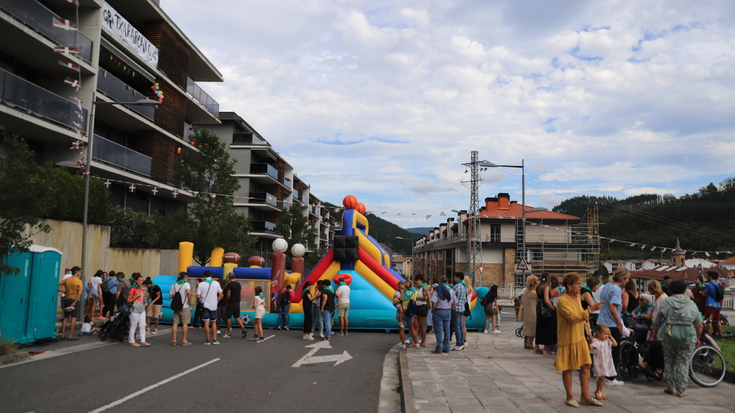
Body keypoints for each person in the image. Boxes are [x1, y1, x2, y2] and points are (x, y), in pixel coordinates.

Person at [554, 272, 605, 407]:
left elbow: (583, 319)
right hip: (568, 337)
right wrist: (591, 309)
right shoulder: (563, 300)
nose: (580, 286)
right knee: (568, 367)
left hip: (580, 337)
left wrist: (590, 335)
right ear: (569, 286)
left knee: (587, 365)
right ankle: (569, 396)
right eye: (577, 284)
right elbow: (573, 317)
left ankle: (585, 395)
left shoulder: (577, 296)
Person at [652, 278, 703, 397]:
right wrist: (698, 337)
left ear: (670, 290)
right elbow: (699, 324)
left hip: (668, 333)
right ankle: (681, 390)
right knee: (683, 363)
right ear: (685, 290)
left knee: (669, 360)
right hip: (687, 336)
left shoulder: (666, 302)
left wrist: (654, 332)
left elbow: (657, 321)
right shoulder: (692, 303)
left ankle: (670, 387)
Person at [597, 267, 631, 386]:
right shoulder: (616, 289)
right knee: (614, 351)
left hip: (601, 321)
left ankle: (602, 375)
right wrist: (619, 323)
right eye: (627, 279)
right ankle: (610, 378)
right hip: (611, 323)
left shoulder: (607, 285)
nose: (628, 281)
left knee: (604, 351)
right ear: (622, 279)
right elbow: (613, 307)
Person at [590, 324, 618, 401]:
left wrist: (610, 336)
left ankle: (599, 391)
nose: (606, 336)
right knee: (601, 377)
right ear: (598, 333)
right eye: (605, 334)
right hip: (600, 362)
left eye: (608, 334)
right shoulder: (596, 341)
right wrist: (591, 342)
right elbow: (591, 347)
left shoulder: (607, 341)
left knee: (603, 378)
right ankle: (598, 391)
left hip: (607, 361)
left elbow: (615, 344)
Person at [430, 276, 457, 354]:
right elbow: (455, 302)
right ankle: (446, 347)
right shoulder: (451, 290)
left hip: (439, 311)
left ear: (440, 282)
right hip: (448, 312)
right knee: (447, 330)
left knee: (439, 330)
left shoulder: (437, 290)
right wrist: (450, 307)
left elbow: (434, 301)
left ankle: (438, 347)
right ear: (447, 281)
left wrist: (433, 309)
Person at [196, 271, 223, 345]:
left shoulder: (201, 284)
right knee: (214, 322)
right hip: (214, 305)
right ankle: (215, 339)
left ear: (204, 276)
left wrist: (202, 296)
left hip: (205, 305)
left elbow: (198, 296)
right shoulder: (216, 283)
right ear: (211, 275)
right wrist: (217, 300)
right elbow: (221, 294)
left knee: (206, 322)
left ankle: (207, 340)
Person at [58, 266, 83, 340]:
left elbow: (58, 285)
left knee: (65, 318)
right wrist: (75, 302)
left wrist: (63, 291)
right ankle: (70, 335)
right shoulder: (79, 281)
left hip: (67, 299)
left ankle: (62, 334)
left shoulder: (67, 280)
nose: (80, 272)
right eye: (79, 271)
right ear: (76, 272)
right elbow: (80, 293)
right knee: (73, 318)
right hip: (74, 300)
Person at [535, 273, 557, 355]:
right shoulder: (546, 287)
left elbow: (538, 297)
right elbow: (547, 300)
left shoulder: (539, 286)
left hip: (539, 307)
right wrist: (553, 308)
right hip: (545, 307)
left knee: (539, 327)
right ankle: (545, 348)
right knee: (547, 328)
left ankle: (536, 347)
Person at [169, 272, 192, 346]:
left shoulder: (174, 285)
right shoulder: (186, 284)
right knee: (185, 323)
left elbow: (170, 296)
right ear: (184, 277)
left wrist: (177, 298)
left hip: (176, 307)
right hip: (184, 306)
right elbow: (188, 292)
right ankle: (184, 341)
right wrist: (189, 300)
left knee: (175, 323)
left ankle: (174, 340)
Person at [127, 274, 150, 347]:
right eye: (139, 280)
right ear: (136, 281)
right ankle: (131, 341)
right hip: (134, 309)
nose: (141, 281)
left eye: (142, 280)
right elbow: (128, 300)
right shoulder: (132, 289)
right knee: (133, 326)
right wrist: (136, 296)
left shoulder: (141, 288)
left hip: (141, 309)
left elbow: (142, 299)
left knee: (142, 325)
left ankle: (143, 341)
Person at [222, 274, 247, 339]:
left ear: (229, 277)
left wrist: (226, 301)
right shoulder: (238, 284)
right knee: (237, 317)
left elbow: (228, 294)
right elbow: (240, 293)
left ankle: (229, 333)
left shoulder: (229, 285)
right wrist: (239, 301)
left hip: (231, 303)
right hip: (237, 303)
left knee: (228, 317)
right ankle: (243, 328)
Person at [521, 275, 539, 351]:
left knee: (526, 326)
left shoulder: (525, 291)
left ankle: (525, 343)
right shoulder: (534, 293)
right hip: (533, 310)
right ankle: (530, 343)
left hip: (526, 310)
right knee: (532, 327)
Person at [451, 272, 467, 351]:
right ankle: (460, 342)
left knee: (457, 327)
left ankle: (459, 343)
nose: (454, 278)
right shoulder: (464, 286)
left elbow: (451, 295)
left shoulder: (457, 286)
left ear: (459, 277)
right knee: (460, 326)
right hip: (462, 308)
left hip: (456, 308)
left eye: (455, 277)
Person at [703, 271, 723, 338]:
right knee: (717, 320)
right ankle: (720, 334)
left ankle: (708, 335)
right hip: (717, 304)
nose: (706, 277)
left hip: (710, 304)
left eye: (707, 276)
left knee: (708, 320)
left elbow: (705, 294)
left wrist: (701, 293)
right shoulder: (719, 284)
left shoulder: (708, 285)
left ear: (710, 276)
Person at [414, 274, 430, 346]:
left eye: (419, 280)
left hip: (422, 307)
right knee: (416, 325)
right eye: (416, 280)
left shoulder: (424, 287)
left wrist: (417, 297)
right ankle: (415, 341)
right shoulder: (416, 288)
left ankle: (423, 341)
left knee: (422, 325)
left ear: (422, 281)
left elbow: (425, 298)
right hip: (416, 306)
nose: (417, 282)